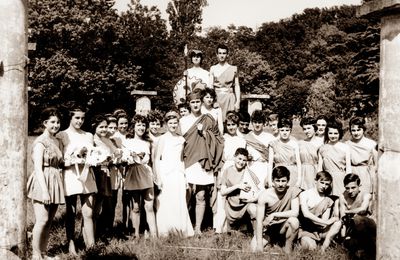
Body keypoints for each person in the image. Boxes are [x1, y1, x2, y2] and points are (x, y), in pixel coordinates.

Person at [180, 89, 224, 235]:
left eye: (198, 101)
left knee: (201, 195)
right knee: (186, 194)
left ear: (201, 102)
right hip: (188, 159)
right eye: (192, 102)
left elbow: (218, 139)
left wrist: (206, 134)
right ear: (189, 104)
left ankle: (198, 227)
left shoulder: (208, 119)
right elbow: (179, 142)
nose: (195, 105)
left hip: (203, 160)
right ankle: (184, 225)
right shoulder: (183, 121)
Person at [57, 106, 97, 254]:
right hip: (71, 176)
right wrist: (72, 160)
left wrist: (92, 159)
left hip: (87, 176)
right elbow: (59, 159)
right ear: (71, 118)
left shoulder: (88, 135)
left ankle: (91, 247)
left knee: (88, 212)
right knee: (71, 213)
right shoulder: (62, 135)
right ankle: (71, 244)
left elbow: (93, 155)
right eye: (77, 118)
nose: (80, 121)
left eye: (82, 118)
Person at [27, 108, 65, 260]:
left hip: (55, 180)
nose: (56, 125)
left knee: (49, 221)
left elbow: (60, 163)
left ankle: (43, 252)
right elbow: (37, 167)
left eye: (58, 122)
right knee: (42, 220)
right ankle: (35, 255)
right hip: (43, 180)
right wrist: (44, 191)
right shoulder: (40, 142)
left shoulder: (56, 141)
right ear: (45, 123)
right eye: (52, 122)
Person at [153, 111, 194, 237]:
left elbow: (182, 159)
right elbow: (156, 159)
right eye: (170, 123)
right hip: (166, 172)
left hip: (178, 172)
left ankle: (180, 228)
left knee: (179, 199)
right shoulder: (162, 139)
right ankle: (166, 229)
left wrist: (185, 176)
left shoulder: (181, 139)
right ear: (166, 124)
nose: (173, 125)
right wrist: (158, 177)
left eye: (175, 123)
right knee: (166, 199)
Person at [122, 114, 157, 238]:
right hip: (133, 174)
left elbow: (152, 160)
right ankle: (136, 234)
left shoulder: (148, 142)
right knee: (136, 207)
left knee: (149, 206)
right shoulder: (127, 142)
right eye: (138, 125)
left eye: (143, 125)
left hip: (146, 174)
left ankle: (154, 236)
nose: (141, 128)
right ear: (133, 127)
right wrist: (130, 157)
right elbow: (124, 160)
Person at [254, 166, 302, 253]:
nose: (280, 184)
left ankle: (288, 249)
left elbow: (295, 212)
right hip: (269, 228)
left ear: (288, 181)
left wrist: (274, 214)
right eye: (277, 181)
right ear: (273, 181)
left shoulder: (293, 191)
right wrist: (259, 245)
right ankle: (271, 242)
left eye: (283, 181)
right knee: (254, 248)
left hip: (284, 226)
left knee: (294, 221)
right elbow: (259, 221)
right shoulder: (264, 195)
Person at [213, 112, 246, 233]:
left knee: (236, 196)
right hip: (226, 166)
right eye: (229, 125)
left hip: (239, 167)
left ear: (237, 125)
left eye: (234, 125)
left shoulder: (242, 139)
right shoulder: (223, 138)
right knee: (222, 196)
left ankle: (233, 225)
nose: (231, 127)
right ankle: (219, 227)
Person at [299, 171, 342, 251]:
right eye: (322, 183)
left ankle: (324, 246)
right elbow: (306, 214)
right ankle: (314, 241)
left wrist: (330, 221)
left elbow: (324, 221)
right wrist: (326, 222)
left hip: (319, 229)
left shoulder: (327, 199)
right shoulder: (305, 194)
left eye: (327, 184)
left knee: (338, 223)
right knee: (311, 248)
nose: (324, 186)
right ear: (315, 181)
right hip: (307, 229)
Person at [91, 115, 117, 237]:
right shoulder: (92, 140)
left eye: (106, 127)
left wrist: (111, 160)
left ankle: (96, 234)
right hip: (95, 174)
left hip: (105, 174)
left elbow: (112, 157)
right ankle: (88, 236)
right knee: (91, 208)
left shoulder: (106, 140)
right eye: (101, 127)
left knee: (99, 206)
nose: (104, 129)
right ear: (94, 127)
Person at [339, 174, 376, 258]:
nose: (350, 191)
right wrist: (344, 236)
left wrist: (348, 211)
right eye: (347, 188)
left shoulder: (366, 195)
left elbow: (363, 209)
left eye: (353, 187)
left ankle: (368, 248)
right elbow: (343, 217)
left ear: (359, 186)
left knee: (358, 219)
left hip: (368, 226)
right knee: (348, 244)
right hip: (352, 228)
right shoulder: (343, 196)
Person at [220, 148, 257, 231]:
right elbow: (222, 192)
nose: (241, 162)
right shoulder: (227, 171)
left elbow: (256, 189)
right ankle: (235, 226)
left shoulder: (248, 171)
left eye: (244, 160)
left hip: (245, 203)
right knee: (227, 231)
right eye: (239, 159)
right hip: (231, 204)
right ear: (234, 157)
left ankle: (257, 234)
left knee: (254, 209)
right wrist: (237, 186)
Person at [318, 118, 351, 196]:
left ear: (340, 134)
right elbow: (319, 168)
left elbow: (348, 167)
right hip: (326, 179)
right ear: (327, 133)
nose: (333, 136)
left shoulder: (345, 147)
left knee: (340, 200)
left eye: (335, 133)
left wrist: (348, 182)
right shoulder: (322, 148)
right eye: (330, 133)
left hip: (340, 178)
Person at [345, 117, 377, 195]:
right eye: (353, 130)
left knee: (365, 198)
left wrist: (373, 175)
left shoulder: (371, 144)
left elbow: (377, 163)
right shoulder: (347, 144)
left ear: (363, 129)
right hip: (352, 173)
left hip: (366, 175)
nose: (356, 133)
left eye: (358, 130)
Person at [209, 44, 241, 120]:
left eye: (224, 53)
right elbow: (210, 86)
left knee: (231, 120)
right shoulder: (213, 68)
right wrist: (212, 101)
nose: (222, 55)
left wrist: (238, 101)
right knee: (217, 121)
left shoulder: (233, 69)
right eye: (220, 53)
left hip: (229, 98)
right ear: (217, 54)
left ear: (227, 54)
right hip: (217, 99)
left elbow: (237, 85)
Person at [268, 118, 302, 188]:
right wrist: (269, 179)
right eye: (282, 130)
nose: (284, 132)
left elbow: (298, 163)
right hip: (278, 173)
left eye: (287, 130)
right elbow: (270, 163)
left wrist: (299, 179)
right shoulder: (273, 144)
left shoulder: (294, 144)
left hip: (292, 174)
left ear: (291, 131)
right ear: (278, 130)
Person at [245, 110, 275, 189]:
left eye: (260, 122)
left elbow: (271, 160)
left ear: (264, 123)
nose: (257, 125)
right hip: (251, 168)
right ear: (252, 123)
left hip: (264, 168)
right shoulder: (247, 137)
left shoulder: (269, 138)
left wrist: (269, 176)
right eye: (255, 122)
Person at [299, 117, 321, 190]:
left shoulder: (320, 143)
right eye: (304, 129)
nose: (306, 131)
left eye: (309, 128)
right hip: (302, 172)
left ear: (314, 128)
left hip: (315, 172)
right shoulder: (300, 143)